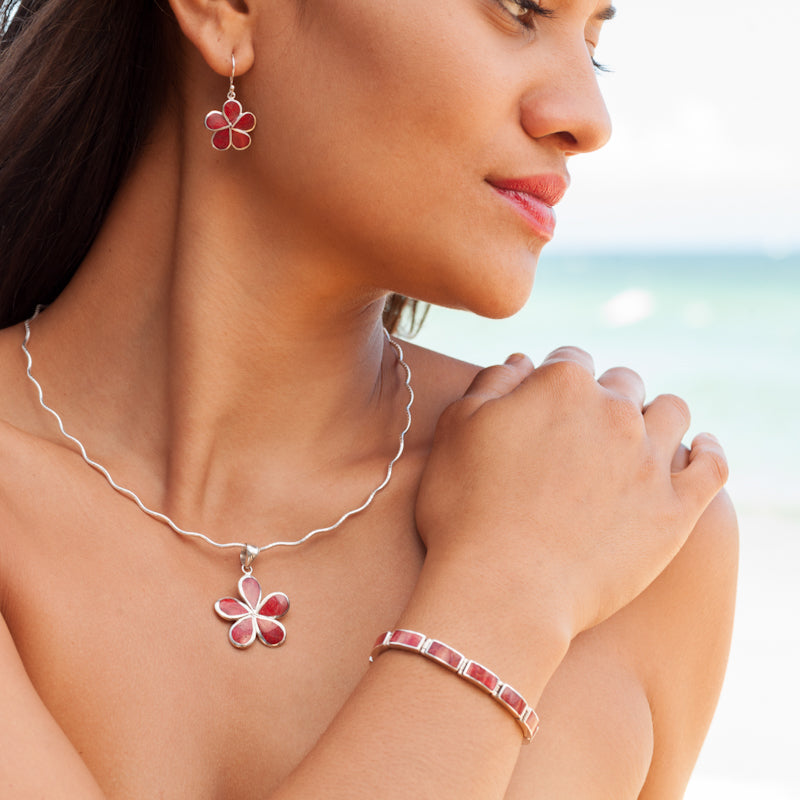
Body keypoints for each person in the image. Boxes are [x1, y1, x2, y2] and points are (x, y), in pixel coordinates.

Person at [0, 0, 737, 797]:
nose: (588, 119)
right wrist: (506, 595)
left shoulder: (640, 537)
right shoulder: (569, 558)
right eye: (518, 9)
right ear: (230, 11)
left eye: (594, 46)